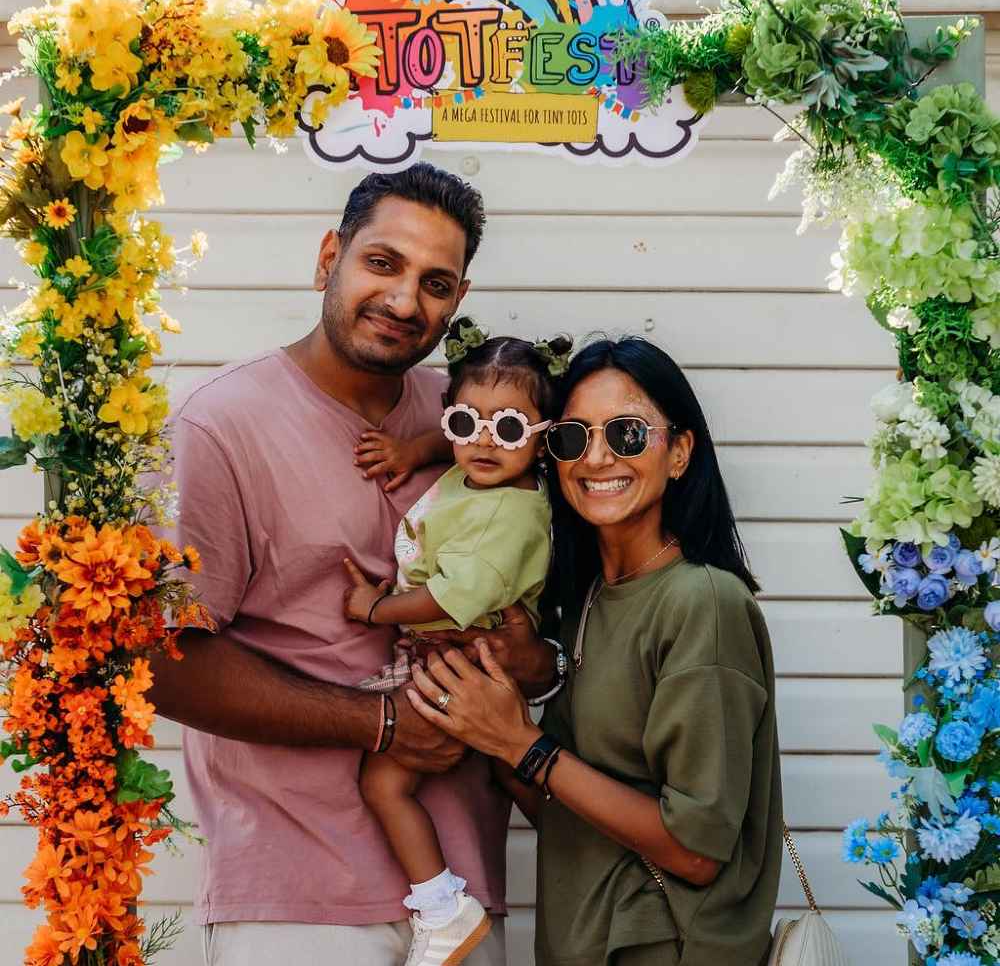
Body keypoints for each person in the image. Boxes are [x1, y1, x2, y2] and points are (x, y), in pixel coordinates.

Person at [147, 164, 558, 966]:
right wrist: (383, 722)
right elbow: (164, 662)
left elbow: (539, 608)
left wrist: (535, 662)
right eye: (382, 263)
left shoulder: (472, 416)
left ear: (459, 298)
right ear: (328, 257)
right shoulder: (220, 426)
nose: (405, 301)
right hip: (296, 899)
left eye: (435, 283)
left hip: (465, 892)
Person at [406, 337, 784, 966]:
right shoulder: (582, 601)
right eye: (574, 437)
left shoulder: (703, 602)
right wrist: (481, 718)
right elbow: (564, 813)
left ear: (679, 452)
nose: (598, 457)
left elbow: (696, 849)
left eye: (628, 434)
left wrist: (520, 744)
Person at [342, 318, 566, 966]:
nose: (484, 442)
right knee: (505, 768)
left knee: (384, 785)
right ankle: (578, 838)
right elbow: (459, 441)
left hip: (460, 663)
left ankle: (443, 908)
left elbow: (446, 599)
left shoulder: (511, 516)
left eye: (510, 429)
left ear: (544, 439)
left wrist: (376, 609)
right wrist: (411, 452)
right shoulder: (486, 469)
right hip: (455, 656)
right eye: (468, 423)